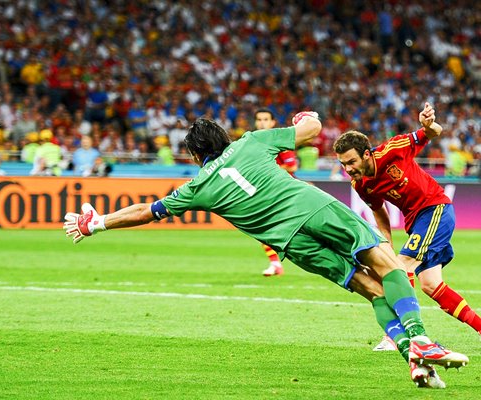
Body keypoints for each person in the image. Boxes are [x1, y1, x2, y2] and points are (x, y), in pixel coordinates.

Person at [63, 114, 469, 389]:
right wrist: (301, 121)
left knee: (371, 290)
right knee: (387, 264)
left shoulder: (196, 187)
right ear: (223, 139)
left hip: (293, 245)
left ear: (195, 156)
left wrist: (96, 223)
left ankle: (413, 360)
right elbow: (313, 129)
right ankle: (420, 339)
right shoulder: (252, 143)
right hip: (317, 210)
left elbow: (144, 212)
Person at [333, 102, 481, 352]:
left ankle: (401, 335)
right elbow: (379, 212)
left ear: (367, 154)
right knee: (431, 285)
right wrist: (386, 246)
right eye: (343, 164)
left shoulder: (393, 149)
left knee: (398, 270)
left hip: (435, 209)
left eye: (351, 162)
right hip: (416, 223)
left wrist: (428, 124)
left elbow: (434, 132)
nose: (348, 169)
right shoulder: (360, 185)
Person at [253, 108, 297, 277]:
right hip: (267, 193)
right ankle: (275, 263)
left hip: (286, 192)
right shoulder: (252, 142)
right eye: (259, 119)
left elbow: (291, 166)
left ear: (272, 122)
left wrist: (264, 171)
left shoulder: (279, 140)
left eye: (266, 119)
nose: (262, 122)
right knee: (261, 227)